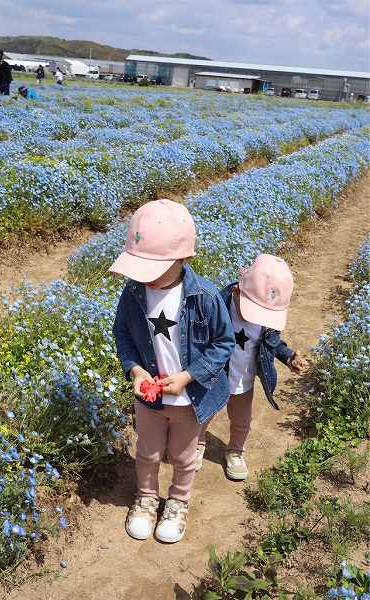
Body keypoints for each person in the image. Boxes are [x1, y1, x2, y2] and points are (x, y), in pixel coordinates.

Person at [111, 199, 235, 544]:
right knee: (147, 453)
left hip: (190, 399)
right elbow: (122, 333)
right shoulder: (133, 292)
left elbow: (223, 344)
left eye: (152, 268)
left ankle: (178, 502)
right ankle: (147, 498)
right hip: (149, 398)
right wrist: (135, 369)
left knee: (183, 456)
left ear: (183, 259)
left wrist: (188, 376)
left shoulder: (206, 297)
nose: (141, 276)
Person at [196, 254, 307, 480]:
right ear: (237, 290)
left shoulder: (266, 320)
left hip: (243, 380)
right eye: (253, 311)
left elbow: (272, 344)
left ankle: (236, 451)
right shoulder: (218, 305)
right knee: (203, 413)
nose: (256, 318)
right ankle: (197, 443)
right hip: (216, 376)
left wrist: (288, 357)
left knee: (241, 421)